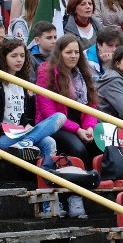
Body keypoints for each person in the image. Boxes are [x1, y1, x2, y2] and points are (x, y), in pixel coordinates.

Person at [0, 38, 65, 166]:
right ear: (3, 58)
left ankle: (45, 178)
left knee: (58, 122)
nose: (19, 60)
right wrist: (9, 128)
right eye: (14, 56)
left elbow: (25, 117)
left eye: (22, 55)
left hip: (21, 134)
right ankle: (27, 142)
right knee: (43, 139)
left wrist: (26, 125)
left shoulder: (24, 82)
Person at [35, 34, 99, 166]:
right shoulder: (46, 73)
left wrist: (89, 127)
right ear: (59, 54)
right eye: (68, 52)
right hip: (55, 126)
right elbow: (49, 113)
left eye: (76, 52)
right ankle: (82, 182)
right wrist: (77, 130)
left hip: (81, 125)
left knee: (100, 146)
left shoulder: (83, 72)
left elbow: (91, 105)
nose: (74, 56)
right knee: (78, 149)